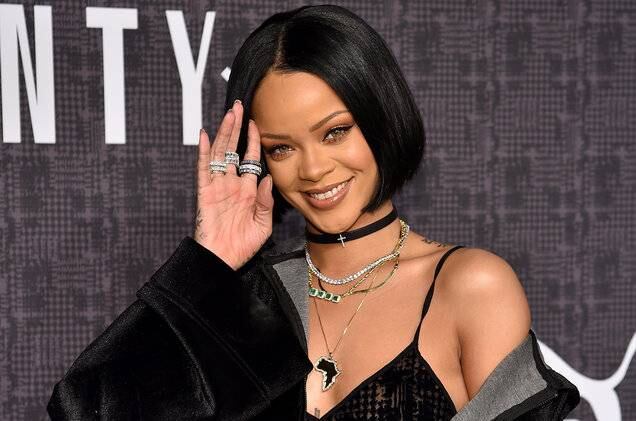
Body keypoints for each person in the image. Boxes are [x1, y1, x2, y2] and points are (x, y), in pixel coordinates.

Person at [47, 4, 580, 420]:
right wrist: (210, 260)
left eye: (335, 132)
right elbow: (83, 409)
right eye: (281, 148)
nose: (314, 169)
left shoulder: (470, 287)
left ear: (381, 116)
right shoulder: (250, 298)